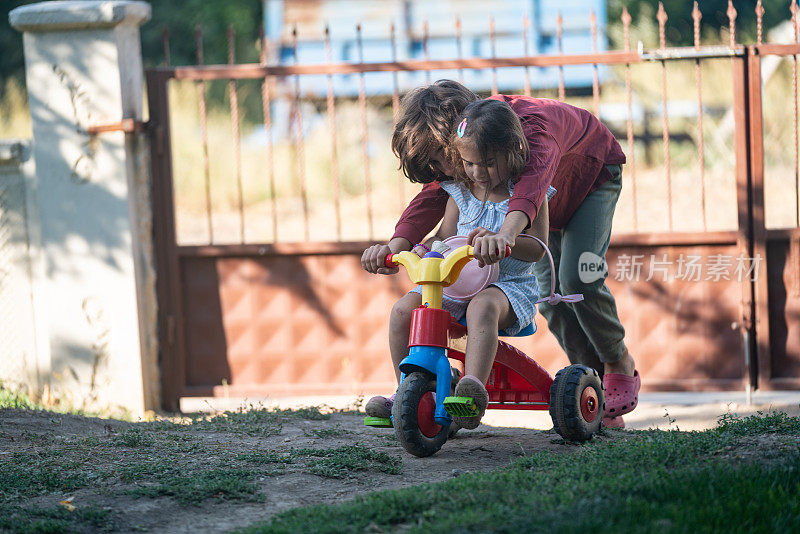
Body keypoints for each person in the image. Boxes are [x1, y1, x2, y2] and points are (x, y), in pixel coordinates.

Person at [363, 80, 639, 428]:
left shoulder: (522, 135)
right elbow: (434, 201)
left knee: (575, 277)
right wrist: (397, 247)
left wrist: (505, 235)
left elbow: (532, 189)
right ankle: (591, 391)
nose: (445, 173)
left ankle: (618, 361)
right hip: (525, 216)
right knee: (553, 302)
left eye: (440, 160)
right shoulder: (474, 158)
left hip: (589, 182)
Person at [362, 99, 549, 429]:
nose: (478, 172)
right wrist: (421, 250)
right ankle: (406, 391)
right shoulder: (459, 193)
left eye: (488, 163)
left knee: (483, 306)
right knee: (404, 309)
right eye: (469, 163)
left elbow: (537, 249)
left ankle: (472, 391)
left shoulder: (526, 193)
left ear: (513, 151)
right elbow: (443, 239)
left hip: (505, 288)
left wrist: (505, 240)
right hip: (455, 285)